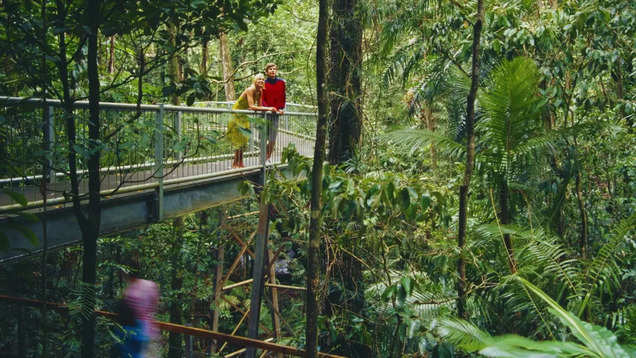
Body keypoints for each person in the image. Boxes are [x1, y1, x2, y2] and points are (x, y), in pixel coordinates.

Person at [227, 73, 278, 168]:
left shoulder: (260, 91)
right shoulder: (250, 90)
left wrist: (266, 108)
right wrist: (269, 108)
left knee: (244, 139)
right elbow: (252, 106)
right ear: (255, 81)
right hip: (236, 114)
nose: (261, 81)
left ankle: (241, 163)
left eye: (263, 80)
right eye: (259, 79)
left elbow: (258, 106)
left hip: (244, 115)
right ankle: (235, 163)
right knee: (238, 139)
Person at [117, 264, 159, 358]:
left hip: (132, 327)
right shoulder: (150, 285)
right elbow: (154, 306)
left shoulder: (129, 290)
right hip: (144, 328)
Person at [261, 63, 286, 160]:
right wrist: (268, 108)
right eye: (270, 69)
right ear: (266, 71)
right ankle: (263, 157)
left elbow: (282, 97)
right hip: (265, 113)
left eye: (274, 69)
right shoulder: (263, 83)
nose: (272, 71)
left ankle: (268, 157)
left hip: (276, 114)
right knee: (263, 137)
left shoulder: (281, 83)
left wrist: (280, 108)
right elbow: (262, 98)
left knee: (272, 138)